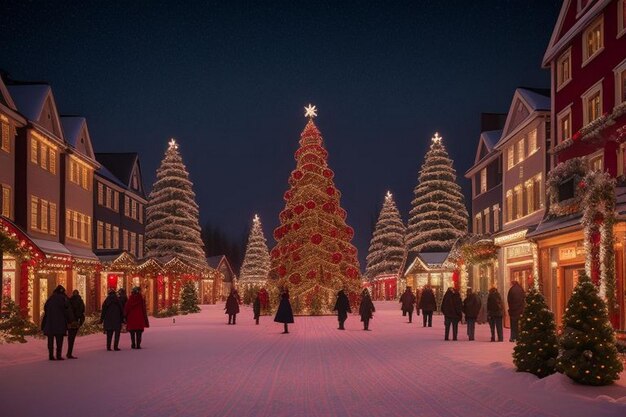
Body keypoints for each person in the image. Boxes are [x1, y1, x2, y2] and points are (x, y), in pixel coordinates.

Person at [42, 285, 72, 361]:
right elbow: (67, 310)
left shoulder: (50, 298)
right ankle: (58, 355)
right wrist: (70, 320)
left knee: (50, 340)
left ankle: (51, 355)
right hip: (60, 322)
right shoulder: (63, 299)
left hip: (50, 322)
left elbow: (45, 308)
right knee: (59, 339)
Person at [66, 290, 85, 359]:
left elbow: (66, 311)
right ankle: (69, 352)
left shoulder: (69, 301)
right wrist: (80, 322)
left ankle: (69, 352)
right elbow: (82, 311)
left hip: (70, 322)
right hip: (76, 321)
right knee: (72, 337)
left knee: (70, 337)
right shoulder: (80, 301)